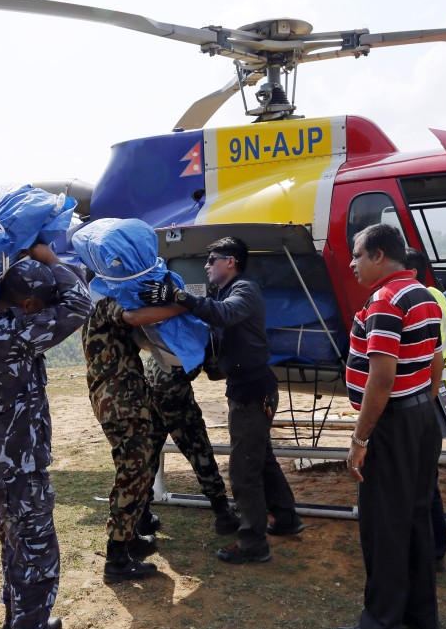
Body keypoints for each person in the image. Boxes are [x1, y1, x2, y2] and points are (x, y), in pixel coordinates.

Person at [0, 245, 88, 629]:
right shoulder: (12, 332)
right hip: (17, 469)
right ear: (29, 304)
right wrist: (51, 258)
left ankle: (16, 628)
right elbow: (80, 303)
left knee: (14, 549)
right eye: (40, 308)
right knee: (37, 560)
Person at [140, 236, 303, 565]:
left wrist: (180, 297)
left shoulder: (244, 290)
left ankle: (253, 544)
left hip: (252, 393)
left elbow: (224, 315)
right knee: (262, 459)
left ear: (231, 261)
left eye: (212, 258)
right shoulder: (228, 290)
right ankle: (286, 518)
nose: (206, 264)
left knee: (244, 471)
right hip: (250, 390)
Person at [334, 224, 444, 629]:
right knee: (416, 516)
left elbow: (381, 379)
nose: (352, 263)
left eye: (357, 255)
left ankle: (381, 625)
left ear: (379, 255)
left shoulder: (385, 300)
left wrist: (361, 439)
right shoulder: (425, 296)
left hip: (393, 423)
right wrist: (420, 405)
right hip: (420, 418)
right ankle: (421, 615)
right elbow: (434, 360)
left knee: (383, 524)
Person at [82, 292, 189, 583]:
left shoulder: (99, 313)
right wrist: (180, 305)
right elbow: (132, 317)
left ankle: (128, 540)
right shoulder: (105, 304)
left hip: (122, 402)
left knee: (137, 473)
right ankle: (116, 558)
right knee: (132, 475)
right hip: (121, 404)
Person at [404, 248, 446, 572]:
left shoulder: (424, 299)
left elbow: (425, 354)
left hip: (430, 393)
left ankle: (434, 550)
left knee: (423, 478)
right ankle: (433, 547)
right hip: (437, 390)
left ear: (409, 273)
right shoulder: (437, 295)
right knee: (424, 475)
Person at [143, 358, 240, 535]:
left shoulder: (166, 329)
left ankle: (142, 516)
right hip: (173, 390)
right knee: (198, 449)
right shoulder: (203, 330)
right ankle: (223, 513)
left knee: (149, 450)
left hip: (149, 381)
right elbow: (214, 370)